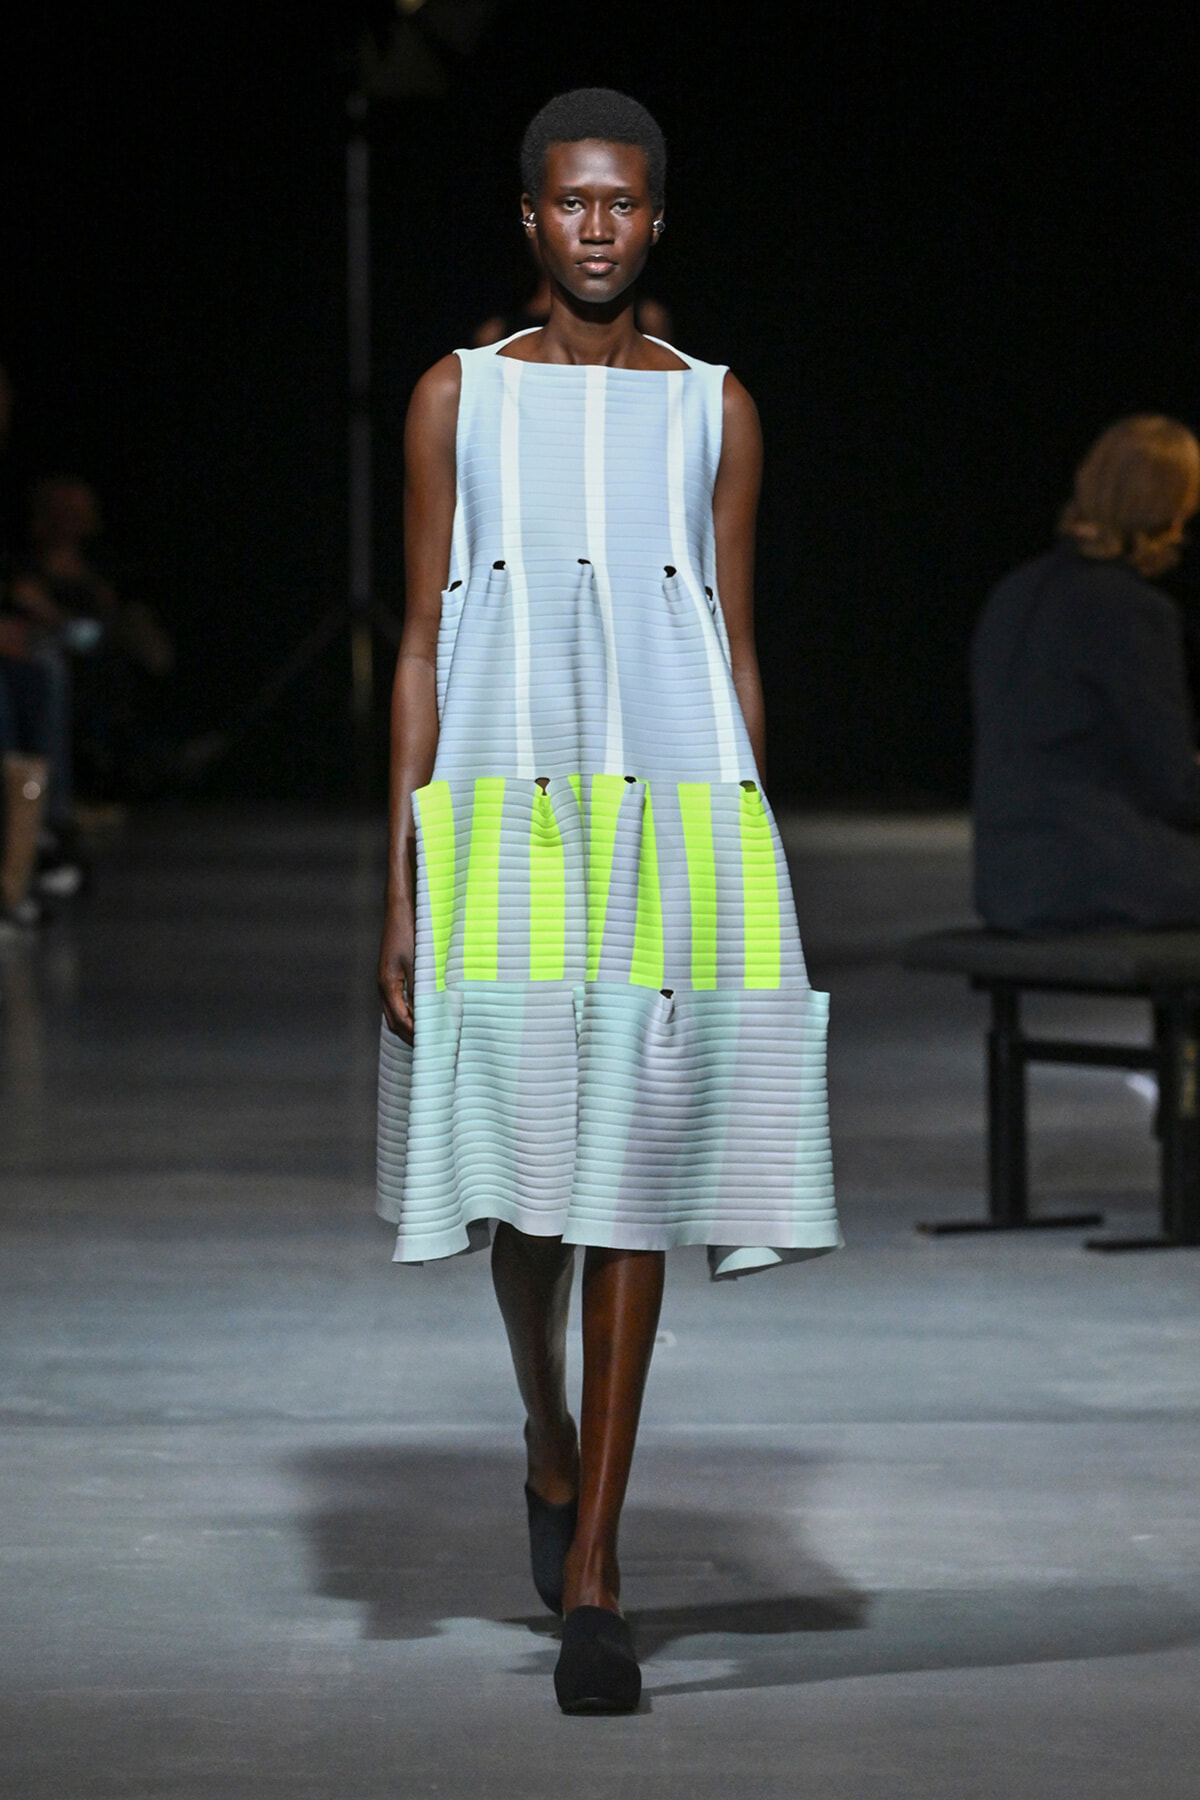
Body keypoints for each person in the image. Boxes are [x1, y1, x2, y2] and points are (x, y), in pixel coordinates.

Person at [376, 88, 838, 1714]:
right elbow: (425, 644)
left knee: (634, 1171)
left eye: (622, 204)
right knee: (528, 1192)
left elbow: (733, 646)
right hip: (502, 816)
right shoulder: (459, 400)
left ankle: (597, 1574)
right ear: (529, 218)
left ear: (656, 220)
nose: (594, 227)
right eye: (569, 202)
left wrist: (752, 858)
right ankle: (548, 1425)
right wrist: (403, 877)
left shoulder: (718, 409)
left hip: (677, 825)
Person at [972, 415, 1200, 931]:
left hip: (1008, 883)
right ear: (1167, 511)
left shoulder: (1013, 592)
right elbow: (1177, 791)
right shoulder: (1133, 610)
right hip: (1098, 878)